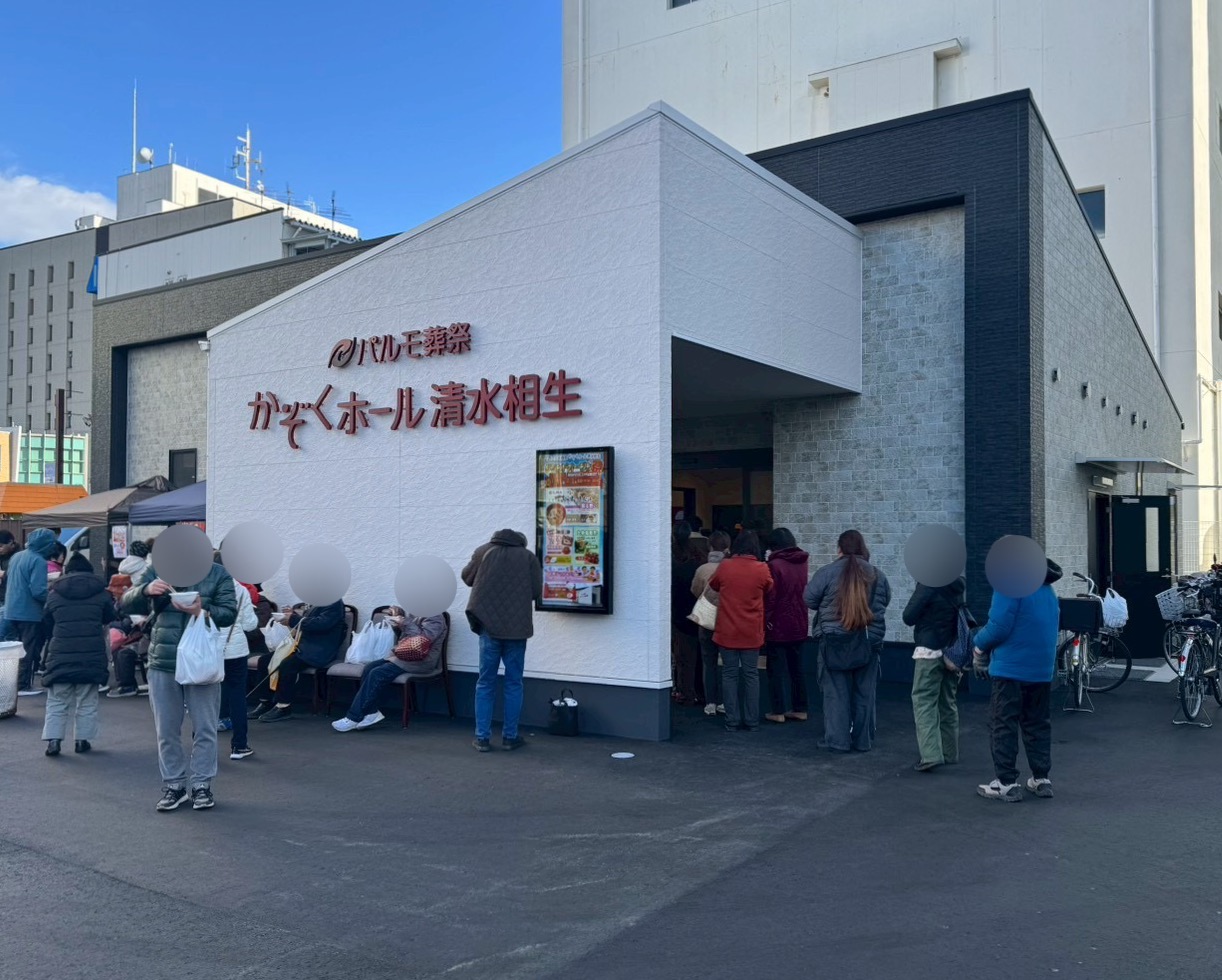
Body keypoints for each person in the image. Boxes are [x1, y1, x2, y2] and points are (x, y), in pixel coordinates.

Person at [121, 557, 237, 812]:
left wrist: (201, 610)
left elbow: (229, 613)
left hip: (201, 661)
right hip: (163, 660)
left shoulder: (218, 574)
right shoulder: (158, 569)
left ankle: (202, 784)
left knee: (205, 727)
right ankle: (174, 785)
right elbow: (126, 601)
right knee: (166, 730)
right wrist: (146, 590)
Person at [972, 559, 1062, 802]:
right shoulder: (1048, 589)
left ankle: (1006, 783)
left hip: (1010, 669)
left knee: (1003, 724)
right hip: (1041, 669)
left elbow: (998, 627)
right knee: (1037, 723)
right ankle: (1041, 779)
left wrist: (978, 645)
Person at [804, 530, 891, 753]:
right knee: (865, 694)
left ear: (839, 549)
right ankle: (863, 741)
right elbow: (885, 601)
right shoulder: (878, 575)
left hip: (834, 641)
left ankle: (837, 740)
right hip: (869, 640)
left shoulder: (827, 573)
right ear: (863, 548)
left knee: (835, 693)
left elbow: (809, 599)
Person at [463, 528, 543, 752]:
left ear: (496, 538)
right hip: (517, 629)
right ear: (521, 541)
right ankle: (510, 736)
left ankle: (482, 738)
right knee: (514, 683)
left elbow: (467, 578)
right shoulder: (528, 557)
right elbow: (536, 591)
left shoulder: (483, 551)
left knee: (485, 683)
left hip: (488, 628)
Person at [40, 554, 117, 757]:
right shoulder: (100, 593)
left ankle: (54, 741)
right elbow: (110, 616)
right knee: (87, 699)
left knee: (57, 700)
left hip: (60, 652)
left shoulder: (55, 593)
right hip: (91, 653)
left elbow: (46, 620)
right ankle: (82, 740)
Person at [332, 612, 449, 731]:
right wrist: (398, 623)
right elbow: (407, 637)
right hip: (405, 657)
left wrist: (405, 622)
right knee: (369, 668)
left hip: (421, 661)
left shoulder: (435, 617)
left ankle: (353, 717)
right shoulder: (415, 613)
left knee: (378, 673)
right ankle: (371, 713)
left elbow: (422, 640)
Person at [903, 574, 971, 772]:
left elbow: (908, 616)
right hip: (951, 652)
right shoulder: (957, 584)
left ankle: (931, 755)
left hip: (929, 650)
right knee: (947, 702)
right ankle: (950, 752)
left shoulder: (929, 583)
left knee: (924, 701)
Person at [708, 531, 773, 732]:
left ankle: (732, 720)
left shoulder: (725, 566)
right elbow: (769, 588)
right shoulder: (762, 568)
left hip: (727, 629)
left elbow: (713, 584)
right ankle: (752, 721)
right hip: (751, 630)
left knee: (729, 674)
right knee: (751, 674)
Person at [249, 599, 348, 723]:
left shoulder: (334, 602)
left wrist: (293, 619)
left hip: (319, 650)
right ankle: (265, 702)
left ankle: (283, 706)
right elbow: (310, 621)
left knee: (287, 665)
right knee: (264, 661)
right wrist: (293, 615)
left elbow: (322, 624)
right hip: (303, 646)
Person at [763, 528, 811, 724]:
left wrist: (765, 620)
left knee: (776, 668)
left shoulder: (773, 565)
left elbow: (771, 597)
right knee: (797, 668)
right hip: (799, 620)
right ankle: (800, 708)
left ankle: (778, 710)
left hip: (778, 622)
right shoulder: (803, 562)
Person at [217, 560, 259, 760]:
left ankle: (201, 749)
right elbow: (250, 624)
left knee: (205, 698)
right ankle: (239, 746)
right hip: (236, 650)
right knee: (237, 697)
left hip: (211, 650)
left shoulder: (205, 589)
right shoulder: (241, 591)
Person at [7, 528, 58, 696]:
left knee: (13, 650)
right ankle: (23, 685)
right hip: (29, 612)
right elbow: (38, 591)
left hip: (11, 609)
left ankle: (10, 683)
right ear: (45, 545)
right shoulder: (38, 561)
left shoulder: (17, 556)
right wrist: (52, 597)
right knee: (28, 649)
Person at [691, 530, 731, 716]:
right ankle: (726, 701)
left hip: (706, 618)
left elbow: (695, 590)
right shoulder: (731, 568)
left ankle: (710, 702)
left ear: (710, 547)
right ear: (727, 547)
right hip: (727, 618)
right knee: (728, 663)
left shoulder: (702, 569)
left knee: (709, 662)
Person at [671, 522, 702, 706]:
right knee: (699, 656)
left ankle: (685, 691)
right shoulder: (698, 558)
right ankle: (699, 691)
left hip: (677, 613)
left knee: (683, 657)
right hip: (697, 611)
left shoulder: (670, 560)